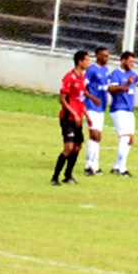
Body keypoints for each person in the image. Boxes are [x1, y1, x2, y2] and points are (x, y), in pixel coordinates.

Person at [52, 50, 94, 186]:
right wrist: (74, 113)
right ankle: (55, 177)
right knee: (68, 147)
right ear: (79, 62)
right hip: (67, 118)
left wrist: (86, 115)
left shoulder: (83, 78)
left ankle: (68, 175)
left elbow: (79, 101)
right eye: (86, 60)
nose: (88, 63)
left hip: (78, 119)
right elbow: (62, 99)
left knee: (77, 147)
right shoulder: (69, 78)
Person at [82, 47, 111, 176]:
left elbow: (106, 87)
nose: (107, 58)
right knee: (93, 134)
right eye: (104, 56)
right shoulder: (91, 70)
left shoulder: (105, 70)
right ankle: (88, 165)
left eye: (108, 56)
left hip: (101, 108)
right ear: (98, 56)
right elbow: (83, 87)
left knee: (98, 137)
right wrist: (92, 97)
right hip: (91, 106)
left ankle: (95, 165)